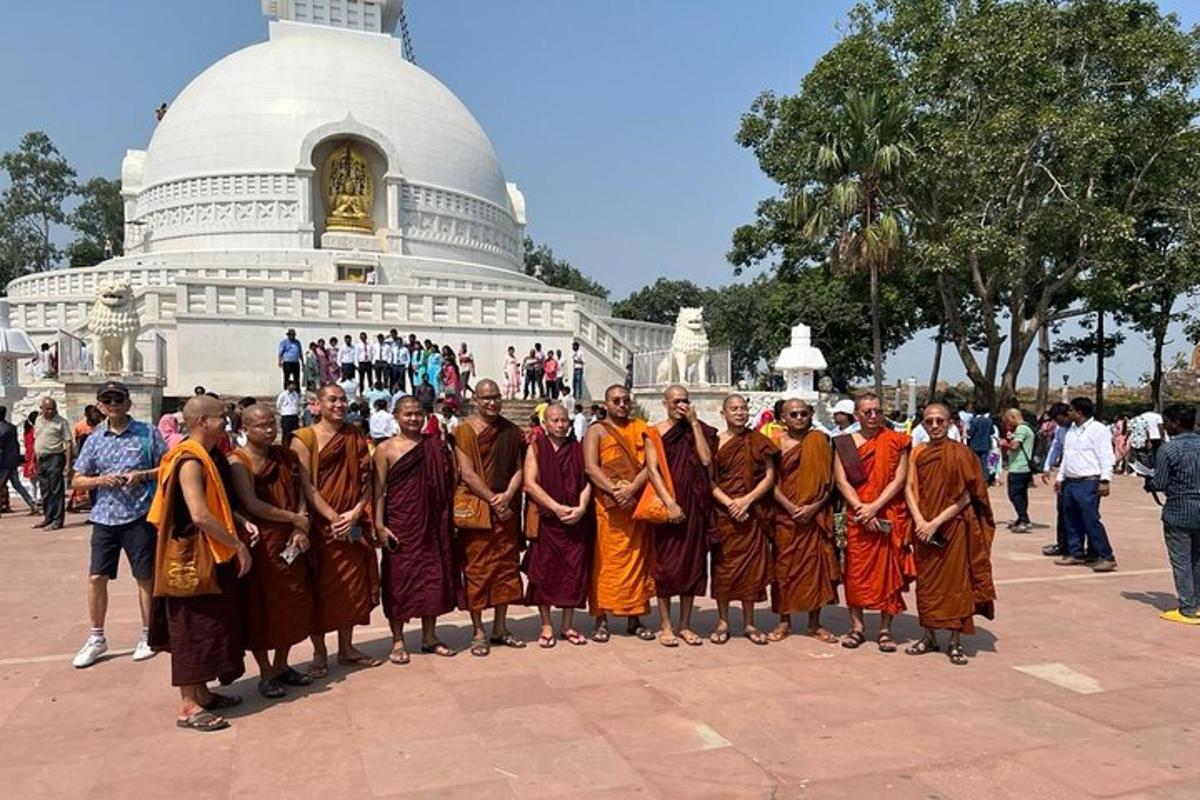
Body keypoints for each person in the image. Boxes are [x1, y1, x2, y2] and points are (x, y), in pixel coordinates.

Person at [147, 395, 251, 732]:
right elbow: (200, 514)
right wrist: (237, 545)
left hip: (209, 553)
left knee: (208, 626)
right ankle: (188, 705)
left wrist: (239, 521)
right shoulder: (189, 460)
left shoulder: (210, 455)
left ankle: (203, 693)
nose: (226, 422)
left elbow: (217, 502)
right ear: (202, 421)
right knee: (191, 629)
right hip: (191, 556)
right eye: (220, 417)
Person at [68, 382, 169, 668]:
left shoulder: (147, 433)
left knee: (144, 578)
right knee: (96, 577)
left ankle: (148, 633)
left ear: (127, 403)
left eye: (118, 399)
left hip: (139, 515)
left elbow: (168, 467)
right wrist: (100, 480)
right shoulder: (95, 438)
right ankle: (97, 636)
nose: (113, 404)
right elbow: (77, 479)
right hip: (104, 518)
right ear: (100, 405)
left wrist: (143, 475)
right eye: (107, 400)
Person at [291, 384, 382, 675]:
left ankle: (346, 647)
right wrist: (333, 517)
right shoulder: (304, 438)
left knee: (351, 588)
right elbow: (306, 486)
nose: (339, 405)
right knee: (319, 590)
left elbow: (366, 480)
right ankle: (320, 653)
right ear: (317, 404)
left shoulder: (355, 434)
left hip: (352, 524)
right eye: (332, 400)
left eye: (343, 400)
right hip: (321, 527)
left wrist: (355, 513)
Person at [227, 406, 316, 697]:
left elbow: (301, 492)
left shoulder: (285, 456)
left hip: (291, 541)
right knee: (261, 609)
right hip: (262, 544)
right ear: (245, 429)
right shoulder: (239, 461)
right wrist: (293, 519)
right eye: (261, 425)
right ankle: (265, 672)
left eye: (271, 424)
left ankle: (282, 664)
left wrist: (301, 527)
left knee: (290, 605)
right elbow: (251, 504)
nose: (268, 430)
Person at [904, 403, 997, 665]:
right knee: (928, 584)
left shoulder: (963, 454)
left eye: (940, 421)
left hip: (953, 527)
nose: (934, 426)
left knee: (957, 584)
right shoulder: (918, 453)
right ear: (923, 424)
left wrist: (936, 522)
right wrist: (920, 520)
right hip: (923, 528)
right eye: (929, 421)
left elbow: (969, 496)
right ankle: (929, 635)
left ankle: (955, 642)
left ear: (950, 423)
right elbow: (909, 488)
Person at [374, 397, 460, 661]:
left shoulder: (435, 446)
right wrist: (379, 525)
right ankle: (398, 640)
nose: (413, 419)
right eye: (407, 414)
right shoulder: (385, 449)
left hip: (433, 523)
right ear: (396, 416)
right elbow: (377, 491)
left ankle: (429, 636)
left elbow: (451, 481)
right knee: (399, 581)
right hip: (402, 523)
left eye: (418, 414)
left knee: (433, 579)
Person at [833, 392, 912, 652]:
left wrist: (875, 507)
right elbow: (841, 480)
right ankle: (857, 627)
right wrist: (860, 507)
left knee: (888, 572)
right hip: (858, 517)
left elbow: (899, 479)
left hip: (887, 513)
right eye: (867, 412)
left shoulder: (896, 441)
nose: (873, 416)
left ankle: (885, 630)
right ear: (857, 414)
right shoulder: (844, 443)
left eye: (877, 410)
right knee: (855, 574)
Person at [453, 379, 525, 656]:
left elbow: (519, 468)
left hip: (505, 508)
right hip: (479, 508)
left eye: (496, 397)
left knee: (506, 568)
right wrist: (493, 499)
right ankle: (478, 631)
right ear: (476, 400)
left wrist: (506, 495)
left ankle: (500, 628)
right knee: (478, 569)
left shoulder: (511, 431)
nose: (492, 402)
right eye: (486, 398)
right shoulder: (465, 431)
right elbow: (467, 472)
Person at [583, 384, 658, 642]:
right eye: (616, 401)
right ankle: (601, 618)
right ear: (606, 404)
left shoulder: (642, 428)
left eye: (626, 400)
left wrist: (633, 488)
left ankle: (634, 617)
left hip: (635, 505)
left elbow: (651, 465)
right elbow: (592, 468)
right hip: (608, 508)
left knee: (637, 559)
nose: (622, 405)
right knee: (605, 562)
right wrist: (616, 492)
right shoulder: (597, 431)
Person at [523, 403, 594, 647]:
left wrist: (582, 507)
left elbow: (587, 482)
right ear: (545, 424)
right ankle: (546, 625)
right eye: (555, 420)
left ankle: (567, 625)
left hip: (575, 520)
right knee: (543, 574)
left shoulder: (577, 448)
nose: (561, 425)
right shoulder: (537, 447)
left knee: (572, 574)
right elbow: (530, 483)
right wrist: (555, 507)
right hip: (548, 521)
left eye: (564, 420)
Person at [710, 394, 777, 645]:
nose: (739, 413)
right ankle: (723, 621)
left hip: (751, 513)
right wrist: (730, 503)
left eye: (743, 408)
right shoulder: (715, 442)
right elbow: (709, 480)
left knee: (751, 570)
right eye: (734, 409)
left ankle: (749, 622)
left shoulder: (759, 440)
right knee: (723, 568)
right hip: (725, 514)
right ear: (723, 413)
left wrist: (747, 500)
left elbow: (769, 477)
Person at [770, 398, 839, 643]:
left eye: (803, 414)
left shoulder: (820, 441)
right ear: (783, 419)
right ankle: (784, 621)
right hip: (785, 516)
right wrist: (789, 507)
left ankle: (814, 623)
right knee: (784, 570)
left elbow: (830, 482)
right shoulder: (775, 443)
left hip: (814, 517)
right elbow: (770, 481)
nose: (799, 418)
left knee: (814, 570)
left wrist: (814, 506)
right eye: (793, 414)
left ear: (810, 415)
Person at [651, 385, 714, 646]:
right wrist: (669, 502)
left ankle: (685, 625)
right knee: (665, 569)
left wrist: (695, 423)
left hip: (695, 506)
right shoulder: (655, 432)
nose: (681, 405)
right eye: (675, 401)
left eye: (685, 401)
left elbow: (707, 460)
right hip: (669, 506)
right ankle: (666, 625)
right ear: (665, 403)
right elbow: (652, 469)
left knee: (692, 566)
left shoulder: (698, 429)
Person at [1146, 403, 1200, 624]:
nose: (1165, 427)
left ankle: (1187, 607)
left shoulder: (1169, 450)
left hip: (1179, 510)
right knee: (1197, 559)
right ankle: (1197, 601)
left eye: (1166, 422)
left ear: (1176, 423)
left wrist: (1149, 481)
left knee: (1181, 561)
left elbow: (1159, 482)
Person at [1055, 397, 1117, 572]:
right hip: (1070, 480)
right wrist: (1060, 477)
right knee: (1070, 518)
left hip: (1089, 481)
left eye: (1071, 410)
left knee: (1090, 519)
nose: (1068, 414)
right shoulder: (1071, 431)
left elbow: (1106, 456)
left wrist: (1105, 480)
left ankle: (1106, 555)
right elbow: (1066, 456)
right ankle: (1076, 552)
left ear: (1079, 412)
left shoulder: (1098, 430)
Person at [33, 396, 72, 531]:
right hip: (41, 458)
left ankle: (57, 520)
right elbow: (36, 440)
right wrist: (34, 459)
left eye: (53, 409)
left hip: (55, 457)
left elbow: (68, 442)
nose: (50, 411)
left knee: (56, 490)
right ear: (41, 409)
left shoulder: (61, 422)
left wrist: (68, 464)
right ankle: (48, 517)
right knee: (45, 491)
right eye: (47, 409)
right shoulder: (38, 420)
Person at [1001, 408, 1035, 532]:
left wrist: (1004, 443)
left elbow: (1015, 446)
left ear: (1012, 417)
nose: (1008, 425)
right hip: (1025, 467)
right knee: (1022, 495)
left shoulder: (1021, 429)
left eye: (1008, 421)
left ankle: (1024, 519)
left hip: (1018, 467)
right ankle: (1022, 518)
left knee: (1014, 494)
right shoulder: (1028, 427)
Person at [0, 406, 36, 514]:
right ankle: (32, 504)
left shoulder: (3, 428)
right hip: (11, 461)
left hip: (4, 462)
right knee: (17, 484)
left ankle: (32, 504)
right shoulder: (11, 427)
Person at [967, 408, 995, 484]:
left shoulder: (974, 421)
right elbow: (992, 431)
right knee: (985, 462)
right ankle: (985, 480)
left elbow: (971, 433)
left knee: (975, 462)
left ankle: (976, 478)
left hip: (975, 444)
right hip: (986, 444)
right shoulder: (989, 421)